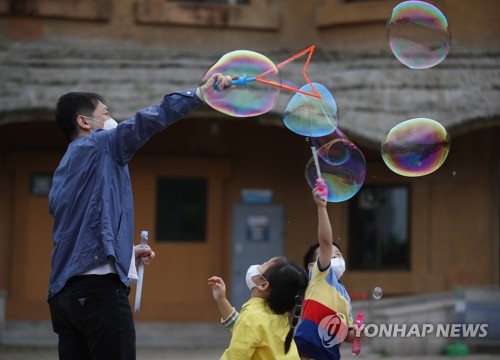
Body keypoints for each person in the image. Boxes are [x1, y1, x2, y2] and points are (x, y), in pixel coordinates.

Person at [47, 73, 233, 360]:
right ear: (84, 122)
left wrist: (125, 252)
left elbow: (82, 230)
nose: (112, 121)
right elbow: (147, 121)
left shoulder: (65, 167)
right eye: (106, 114)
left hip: (64, 297)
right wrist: (198, 94)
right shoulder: (100, 145)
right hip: (98, 291)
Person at [294, 179, 362, 360]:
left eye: (338, 254)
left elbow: (346, 336)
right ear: (311, 267)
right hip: (305, 351)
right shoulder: (320, 275)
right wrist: (321, 208)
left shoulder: (345, 296)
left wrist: (355, 334)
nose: (336, 257)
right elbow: (325, 242)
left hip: (330, 355)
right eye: (330, 255)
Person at [208, 256, 309, 359]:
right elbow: (244, 329)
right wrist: (221, 300)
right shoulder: (279, 315)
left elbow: (236, 355)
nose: (258, 265)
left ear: (263, 284)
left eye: (263, 265)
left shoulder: (252, 316)